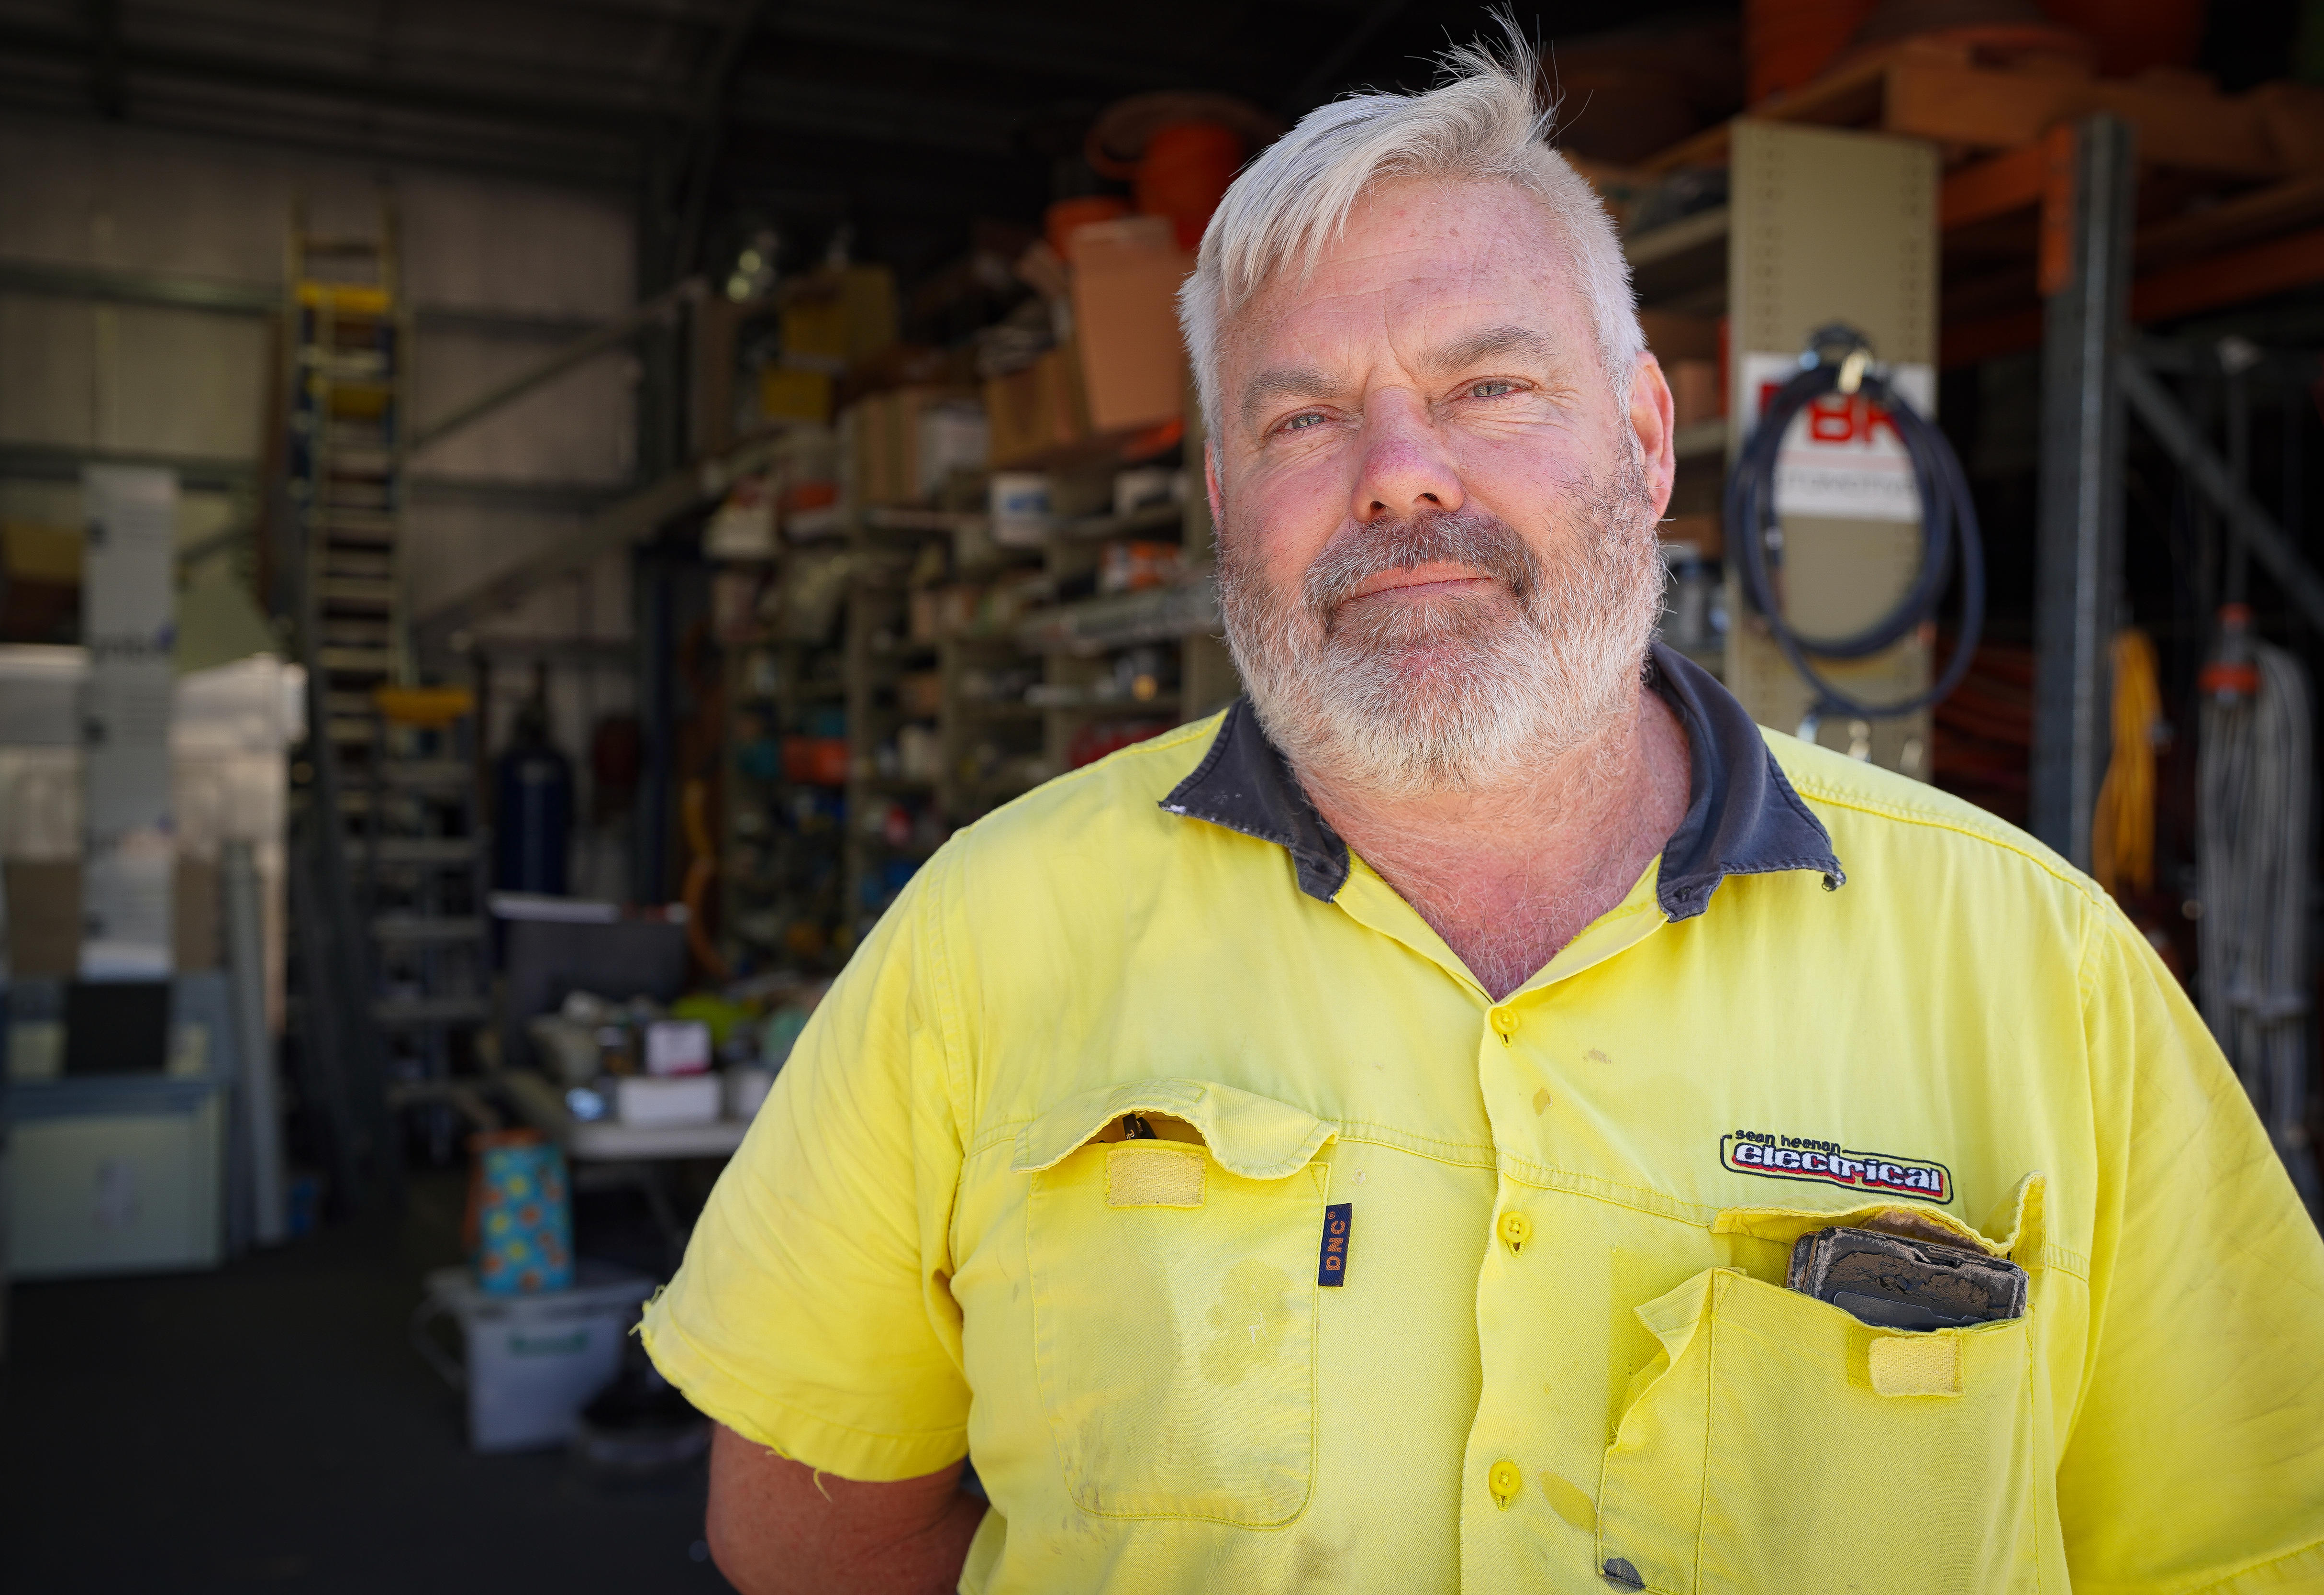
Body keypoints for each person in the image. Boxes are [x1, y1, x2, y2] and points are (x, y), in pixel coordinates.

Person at [642, 28, 2324, 1594]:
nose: (1400, 472)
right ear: (1229, 504)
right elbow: (811, 1529)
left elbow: (2249, 1545)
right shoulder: (989, 934)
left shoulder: (2041, 970)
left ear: (1649, 440)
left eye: (1490, 388)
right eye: (1304, 417)